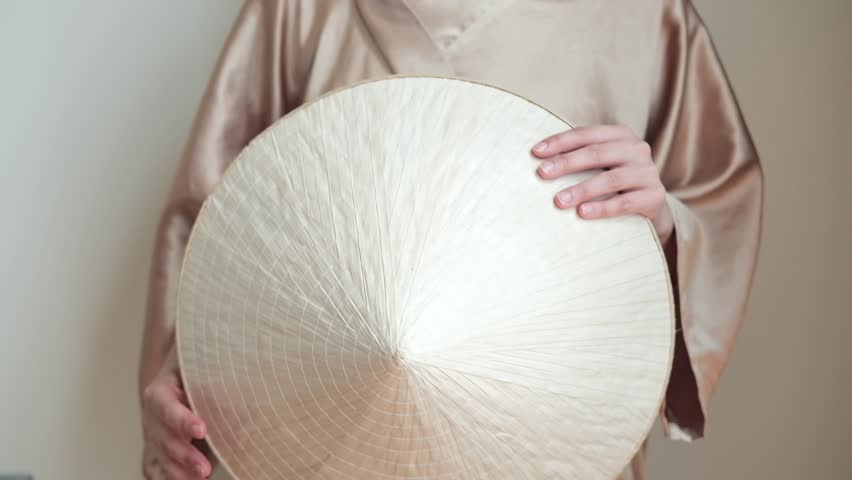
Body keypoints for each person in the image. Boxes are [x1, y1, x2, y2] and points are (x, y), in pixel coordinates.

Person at [138, 1, 763, 479]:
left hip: (554, 429)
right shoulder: (301, 8)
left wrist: (662, 219)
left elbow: (719, 197)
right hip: (334, 427)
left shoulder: (645, 14)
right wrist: (178, 373)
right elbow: (218, 220)